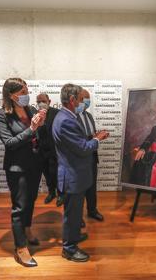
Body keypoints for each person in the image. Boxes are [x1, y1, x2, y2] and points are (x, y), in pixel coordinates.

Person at [52, 84, 109, 262]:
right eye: (80, 99)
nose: (82, 102)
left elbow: (77, 144)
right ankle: (69, 249)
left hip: (76, 174)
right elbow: (84, 148)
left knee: (76, 214)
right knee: (72, 215)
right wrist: (97, 139)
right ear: (72, 100)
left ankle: (73, 237)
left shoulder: (66, 116)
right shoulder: (66, 120)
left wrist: (92, 138)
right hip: (72, 176)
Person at [0, 78, 46, 267]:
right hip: (17, 168)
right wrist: (32, 129)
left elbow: (37, 137)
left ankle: (27, 229)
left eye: (27, 91)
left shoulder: (30, 109)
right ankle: (20, 248)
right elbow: (10, 143)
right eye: (22, 92)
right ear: (11, 94)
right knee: (19, 207)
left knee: (30, 200)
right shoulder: (1, 114)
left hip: (34, 165)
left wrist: (41, 126)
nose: (26, 95)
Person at [77, 89, 103, 221]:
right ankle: (78, 217)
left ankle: (92, 210)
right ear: (76, 99)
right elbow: (76, 139)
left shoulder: (89, 116)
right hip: (79, 159)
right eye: (84, 99)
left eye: (88, 99)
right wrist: (94, 138)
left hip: (92, 156)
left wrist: (97, 136)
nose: (86, 102)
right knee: (80, 188)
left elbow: (91, 135)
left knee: (92, 186)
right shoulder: (72, 117)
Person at [36, 93, 63, 207]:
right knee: (47, 174)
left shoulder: (57, 113)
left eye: (43, 101)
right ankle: (51, 193)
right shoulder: (35, 114)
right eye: (38, 101)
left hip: (55, 151)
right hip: (42, 151)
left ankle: (61, 194)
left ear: (49, 101)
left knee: (56, 174)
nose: (41, 103)